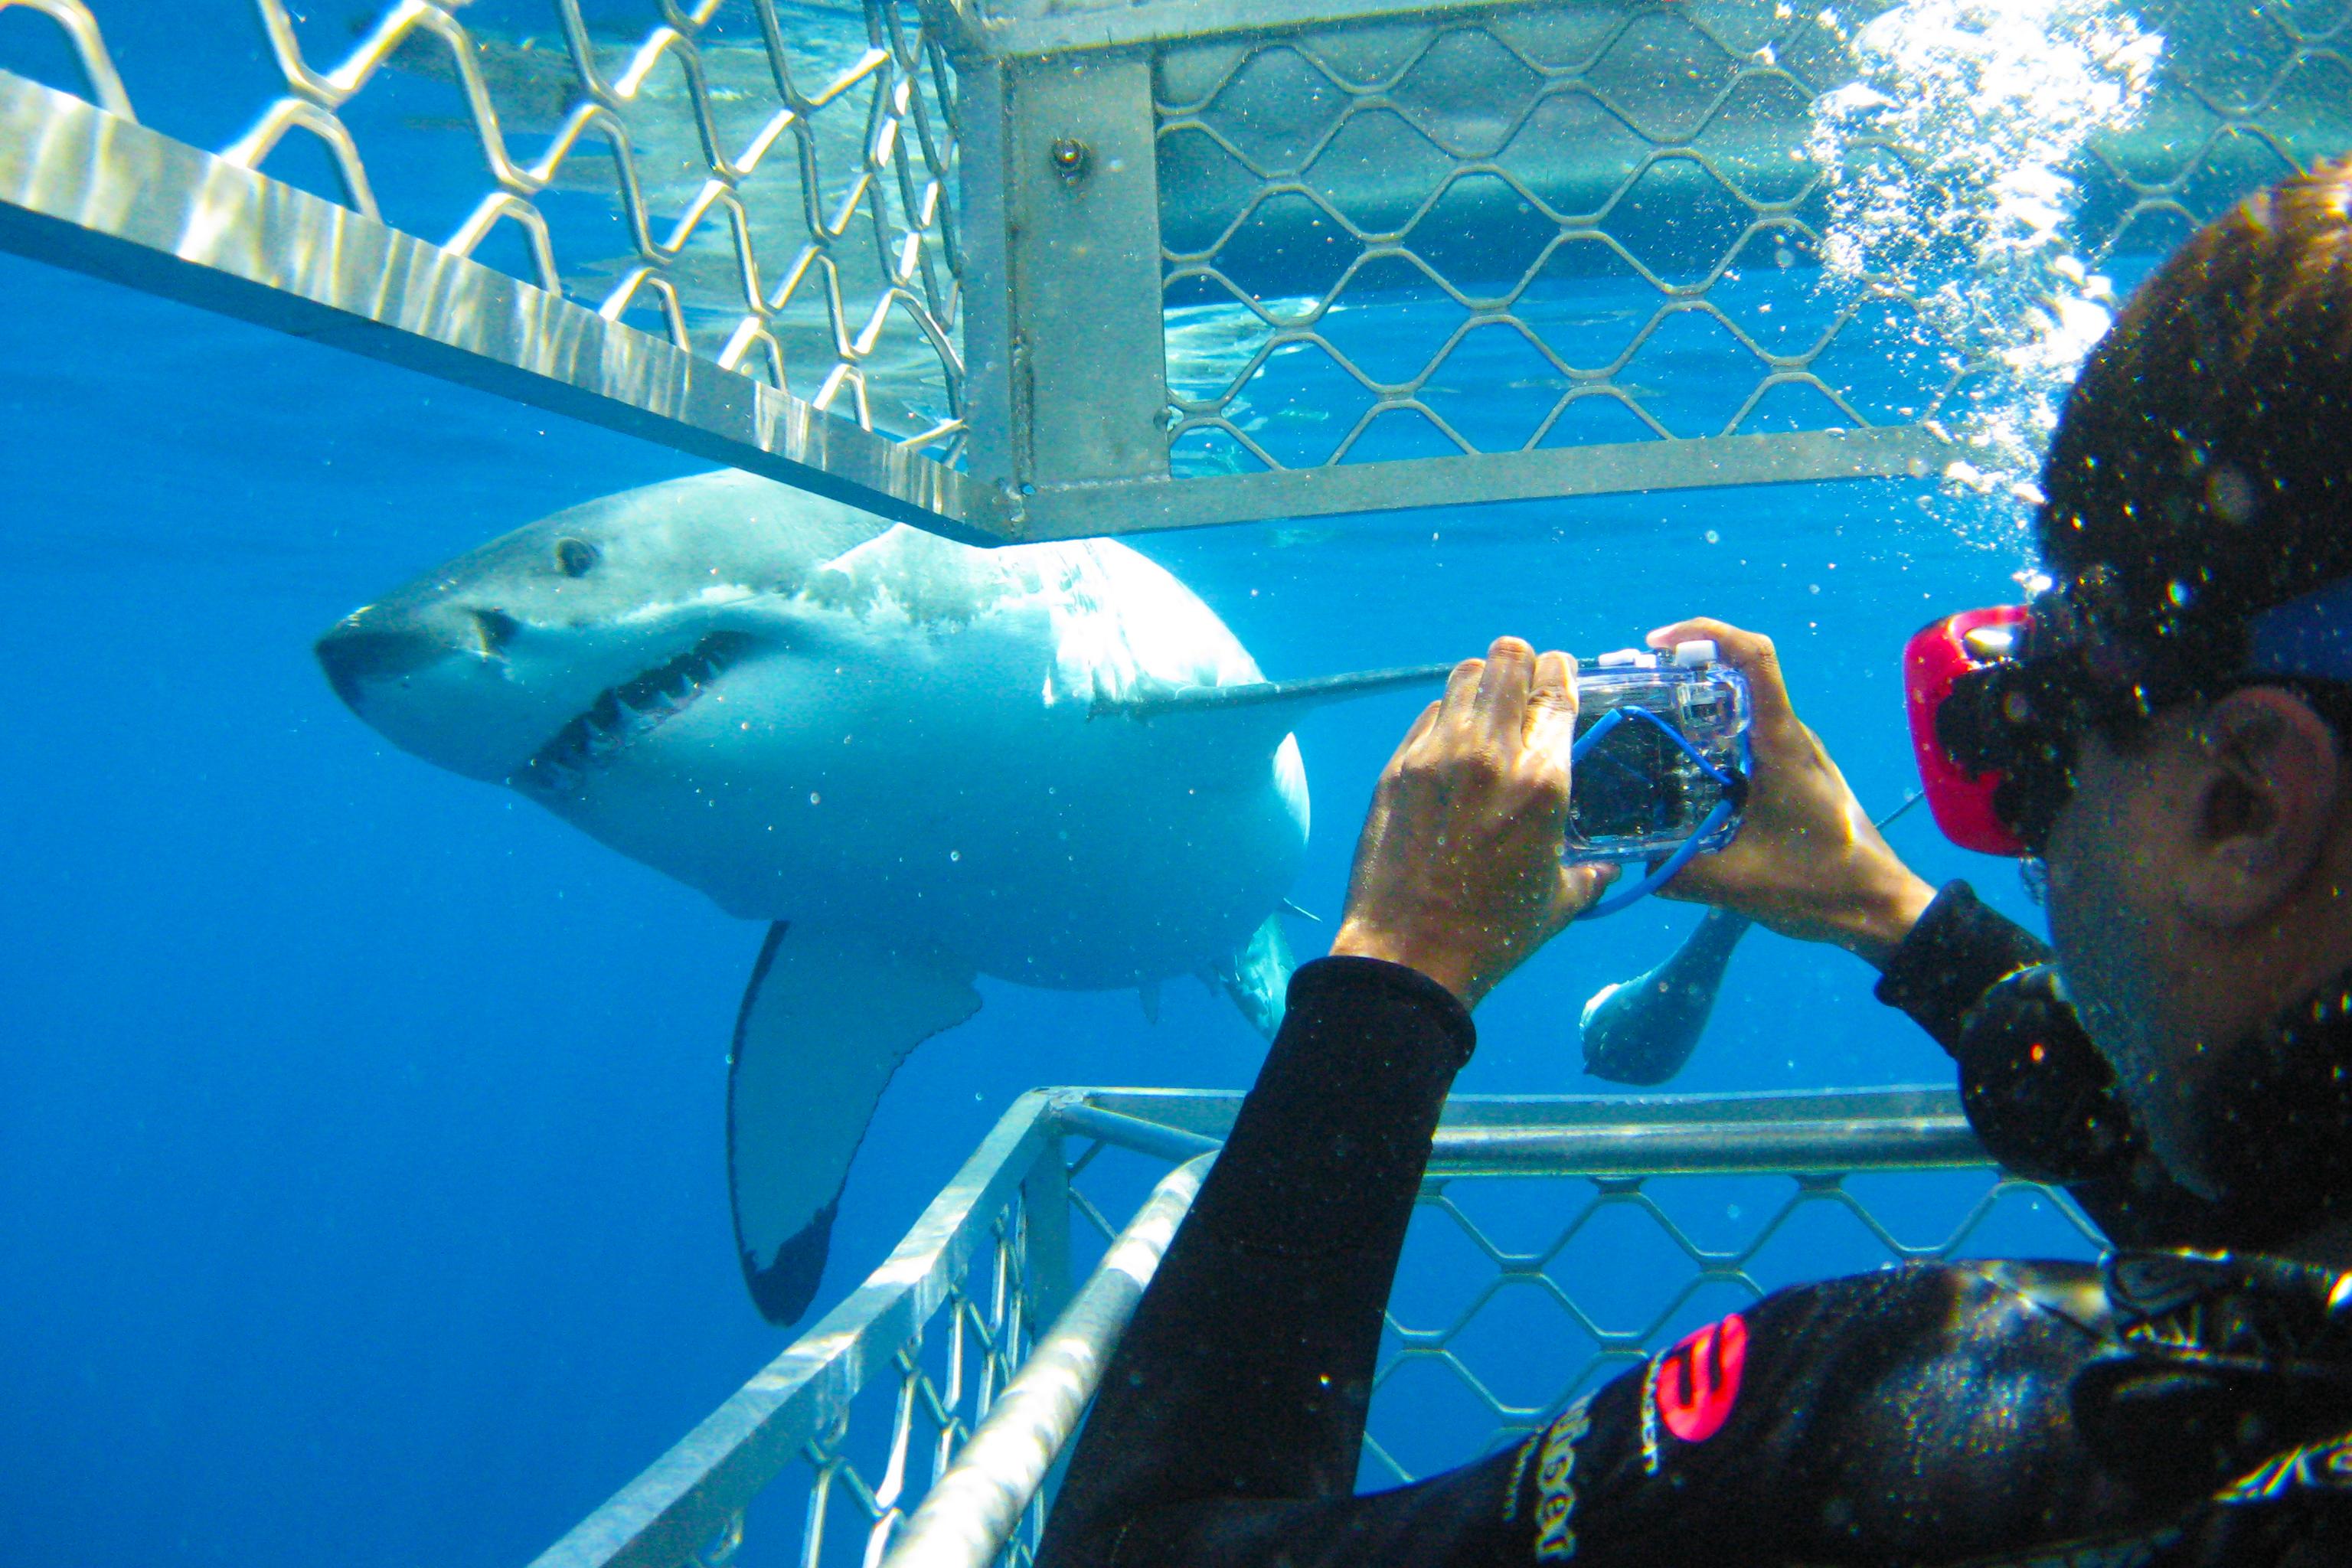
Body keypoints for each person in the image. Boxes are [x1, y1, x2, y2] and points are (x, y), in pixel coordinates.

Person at [1034, 160, 2352, 1567]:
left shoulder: (1942, 1429)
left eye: (2020, 746)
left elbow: (1145, 1551)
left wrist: (1394, 971)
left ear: (2242, 808)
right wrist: (1875, 903)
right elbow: (2249, 1181)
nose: (2035, 841)